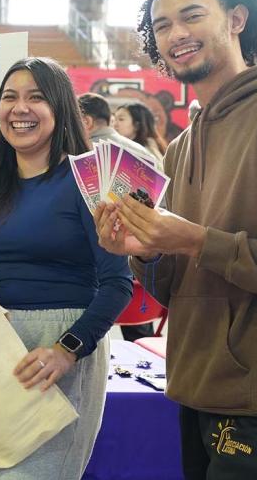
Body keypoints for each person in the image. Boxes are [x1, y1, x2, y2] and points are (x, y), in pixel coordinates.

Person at [94, 0, 257, 479]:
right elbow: (175, 285)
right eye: (163, 24)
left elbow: (202, 246)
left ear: (238, 18)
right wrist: (141, 251)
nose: (176, 34)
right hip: (194, 386)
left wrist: (196, 239)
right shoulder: (181, 144)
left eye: (192, 15)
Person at [0, 57, 132, 479]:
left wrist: (67, 350)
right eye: (10, 97)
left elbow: (119, 284)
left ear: (59, 108)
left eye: (35, 97)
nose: (19, 108)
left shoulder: (91, 180)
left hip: (57, 352)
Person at [79, 93, 156, 341]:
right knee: (139, 335)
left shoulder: (83, 156)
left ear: (87, 121)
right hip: (144, 263)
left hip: (100, 265)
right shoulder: (140, 150)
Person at [112, 102, 168, 167]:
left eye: (121, 119)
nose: (115, 124)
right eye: (114, 120)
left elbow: (161, 173)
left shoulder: (149, 146)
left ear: (137, 125)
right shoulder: (118, 146)